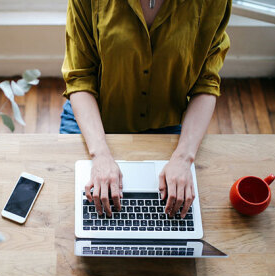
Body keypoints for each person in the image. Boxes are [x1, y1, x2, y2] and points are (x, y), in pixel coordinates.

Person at [60, 0, 231, 219]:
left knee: (171, 223)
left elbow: (206, 82)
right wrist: (100, 155)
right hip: (94, 121)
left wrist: (183, 158)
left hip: (167, 124)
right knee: (72, 213)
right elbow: (80, 77)